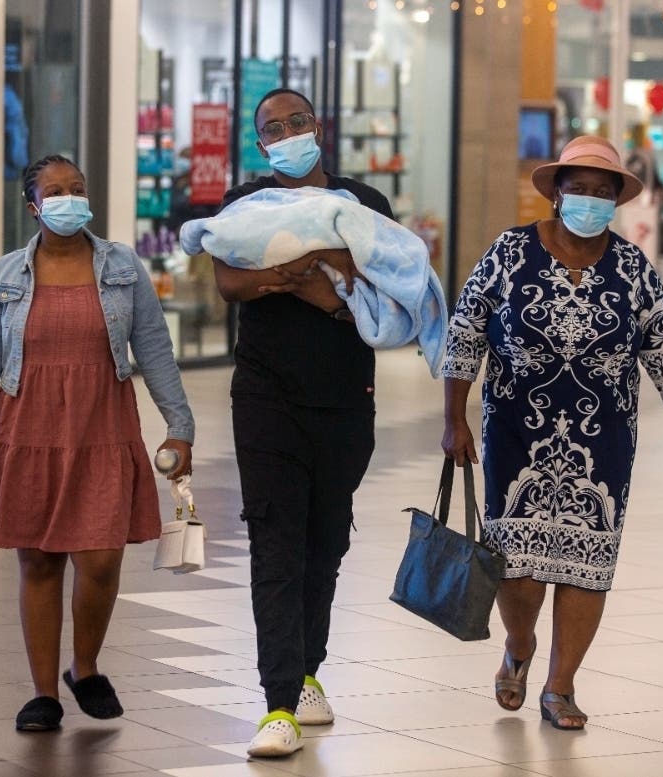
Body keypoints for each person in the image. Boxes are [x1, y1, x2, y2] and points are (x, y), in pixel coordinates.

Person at [441, 135, 663, 731]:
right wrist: (453, 419)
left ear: (617, 201)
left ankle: (560, 687)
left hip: (603, 441)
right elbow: (465, 331)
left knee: (586, 563)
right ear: (557, 194)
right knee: (516, 565)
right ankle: (519, 648)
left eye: (604, 192)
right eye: (581, 190)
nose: (591, 201)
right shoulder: (509, 252)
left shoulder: (632, 268)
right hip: (514, 434)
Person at [0, 154, 195, 732]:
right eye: (56, 191)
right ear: (33, 206)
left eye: (77, 188)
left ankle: (86, 665)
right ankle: (43, 693)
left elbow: (154, 350)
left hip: (103, 425)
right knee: (41, 560)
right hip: (27, 428)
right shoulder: (5, 275)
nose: (70, 198)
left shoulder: (123, 267)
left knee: (100, 560)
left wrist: (180, 426)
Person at [211, 88, 395, 758]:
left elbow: (383, 295)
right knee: (275, 540)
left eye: (296, 122)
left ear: (319, 125)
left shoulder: (364, 204)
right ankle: (278, 702)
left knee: (326, 541)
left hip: (346, 398)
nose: (286, 133)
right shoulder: (247, 202)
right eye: (271, 128)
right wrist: (318, 276)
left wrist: (296, 280)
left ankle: (309, 668)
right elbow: (229, 281)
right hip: (265, 398)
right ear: (260, 143)